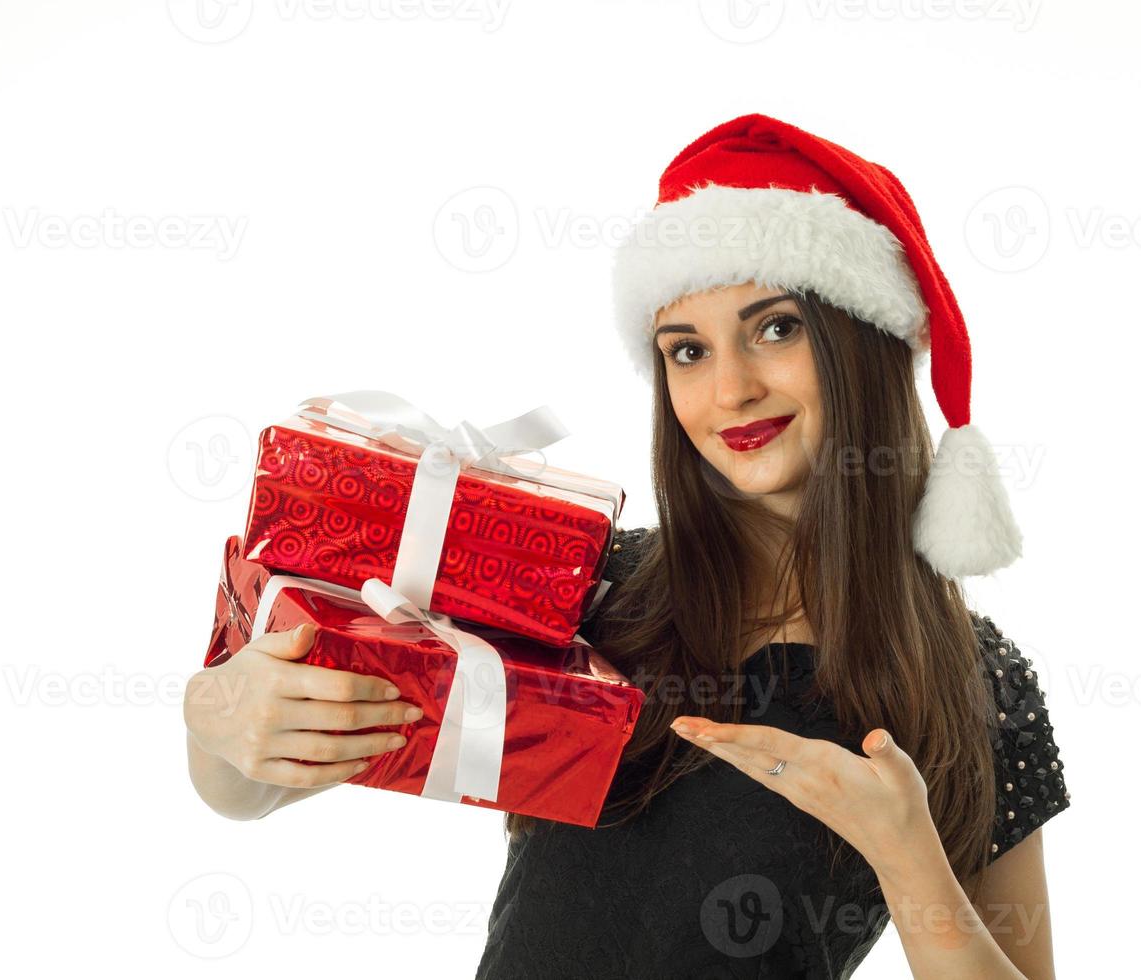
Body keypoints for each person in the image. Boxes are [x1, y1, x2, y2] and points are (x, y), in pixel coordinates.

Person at [184, 112, 1073, 979]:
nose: (729, 389)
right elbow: (256, 786)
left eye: (775, 328)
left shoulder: (978, 686)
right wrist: (219, 717)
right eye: (686, 351)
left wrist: (908, 859)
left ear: (862, 341)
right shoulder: (593, 586)